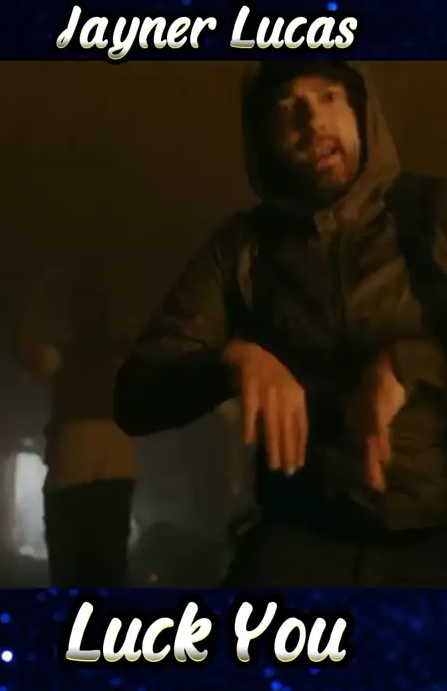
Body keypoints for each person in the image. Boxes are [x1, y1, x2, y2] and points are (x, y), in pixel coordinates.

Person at [114, 61, 447, 588]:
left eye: (329, 97)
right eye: (288, 108)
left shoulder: (431, 211)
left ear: (361, 111)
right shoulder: (244, 247)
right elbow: (136, 395)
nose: (313, 122)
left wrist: (407, 365)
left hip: (434, 536)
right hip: (302, 534)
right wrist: (233, 359)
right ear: (264, 137)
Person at [17, 274, 135, 587]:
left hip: (107, 481)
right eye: (81, 312)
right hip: (70, 483)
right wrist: (31, 301)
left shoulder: (122, 356)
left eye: (92, 312)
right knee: (71, 572)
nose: (87, 319)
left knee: (106, 571)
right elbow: (26, 352)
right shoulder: (63, 356)